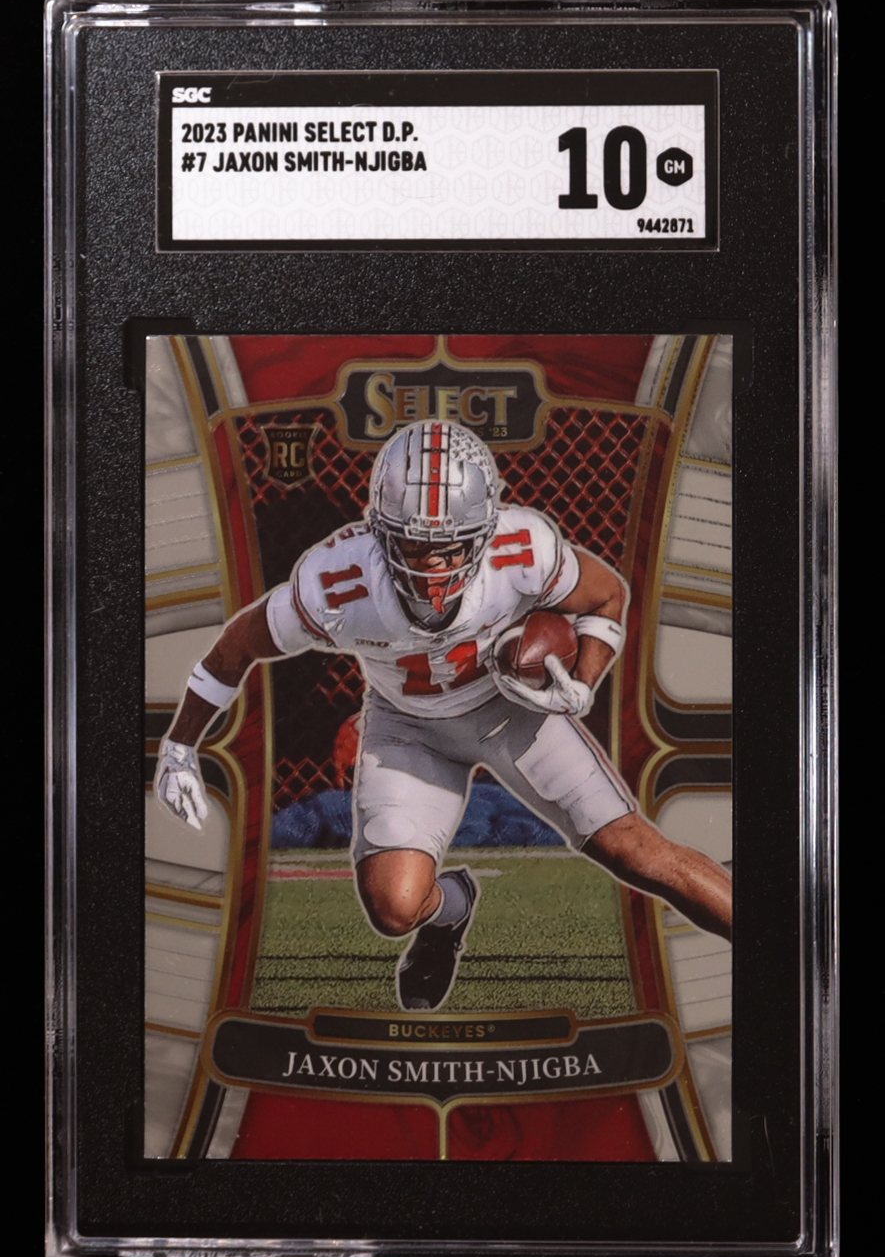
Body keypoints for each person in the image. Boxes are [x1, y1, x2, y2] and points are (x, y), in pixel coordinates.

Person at [157, 420, 732, 1011]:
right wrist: (179, 746)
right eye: (414, 546)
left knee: (635, 852)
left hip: (512, 712)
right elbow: (234, 649)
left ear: (484, 533)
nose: (433, 566)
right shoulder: (338, 581)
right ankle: (450, 909)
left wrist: (583, 683)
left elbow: (607, 595)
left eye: (452, 546)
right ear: (379, 531)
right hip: (408, 728)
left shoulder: (522, 549)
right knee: (394, 908)